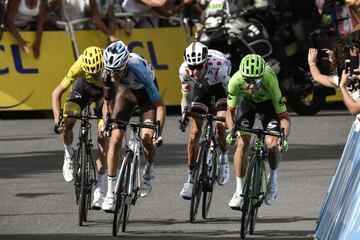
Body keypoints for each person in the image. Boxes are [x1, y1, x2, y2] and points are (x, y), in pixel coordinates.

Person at [101, 40, 166, 212]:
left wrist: (158, 131)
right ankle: (110, 192)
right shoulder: (107, 72)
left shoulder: (139, 69)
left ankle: (149, 168)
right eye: (111, 71)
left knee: (146, 138)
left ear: (125, 65)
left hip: (146, 96)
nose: (113, 76)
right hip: (125, 94)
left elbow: (160, 105)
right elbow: (107, 102)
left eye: (117, 71)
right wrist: (107, 121)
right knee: (114, 140)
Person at [225, 54, 290, 209]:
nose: (251, 86)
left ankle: (272, 179)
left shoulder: (270, 81)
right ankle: (239, 190)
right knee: (242, 143)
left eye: (255, 81)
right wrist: (231, 131)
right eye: (248, 80)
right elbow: (230, 111)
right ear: (242, 76)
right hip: (246, 104)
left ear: (262, 76)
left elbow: (284, 117)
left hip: (268, 106)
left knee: (272, 144)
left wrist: (284, 137)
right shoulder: (234, 81)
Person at [51, 46, 109, 210]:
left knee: (103, 135)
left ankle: (100, 186)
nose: (95, 76)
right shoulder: (79, 66)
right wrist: (57, 120)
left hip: (104, 94)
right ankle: (69, 153)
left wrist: (105, 121)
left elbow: (110, 102)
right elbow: (56, 93)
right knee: (67, 122)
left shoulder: (109, 66)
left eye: (97, 72)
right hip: (82, 88)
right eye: (91, 73)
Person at [178, 42, 231, 199]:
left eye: (198, 67)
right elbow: (185, 98)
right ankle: (190, 178)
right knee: (194, 133)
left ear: (206, 62)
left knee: (221, 126)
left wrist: (231, 119)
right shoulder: (184, 70)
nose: (194, 71)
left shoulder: (220, 67)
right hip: (202, 89)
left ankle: (223, 156)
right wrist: (184, 116)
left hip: (222, 88)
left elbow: (233, 97)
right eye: (191, 66)